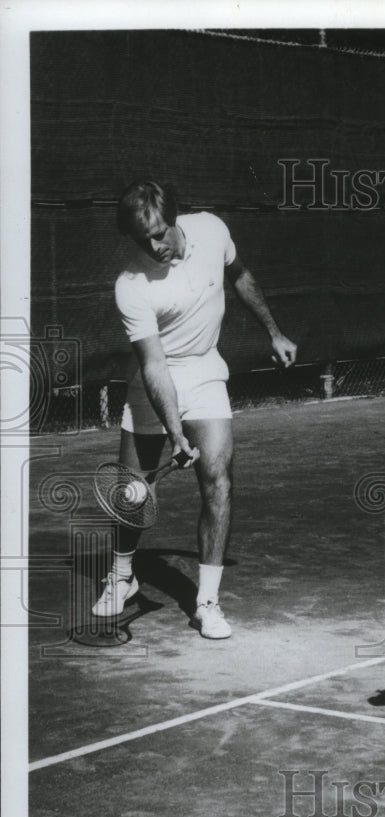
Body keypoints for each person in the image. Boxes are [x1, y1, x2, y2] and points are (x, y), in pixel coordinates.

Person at [92, 180, 297, 638]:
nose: (155, 245)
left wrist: (274, 332)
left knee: (219, 480)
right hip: (157, 379)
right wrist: (176, 433)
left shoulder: (212, 231)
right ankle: (122, 575)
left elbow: (240, 275)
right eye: (143, 239)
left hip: (205, 371)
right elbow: (154, 364)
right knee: (131, 495)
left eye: (161, 232)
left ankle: (207, 602)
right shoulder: (131, 285)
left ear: (176, 218)